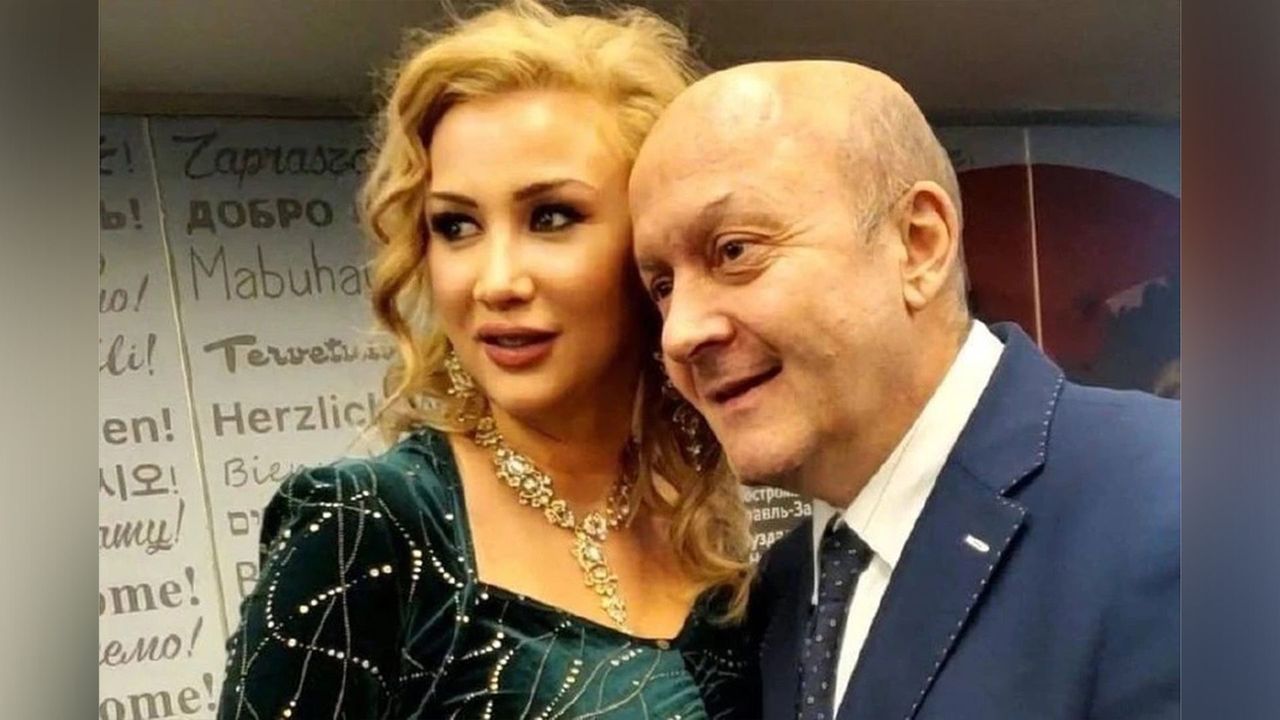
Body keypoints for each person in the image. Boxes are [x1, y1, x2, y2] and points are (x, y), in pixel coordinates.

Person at [217, 3, 756, 718]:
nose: (496, 281)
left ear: (653, 241)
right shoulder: (368, 526)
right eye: (456, 225)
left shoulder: (693, 513)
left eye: (551, 217)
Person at [628, 60, 1180, 720]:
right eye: (662, 287)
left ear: (918, 244)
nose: (681, 333)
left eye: (733, 251)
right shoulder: (779, 593)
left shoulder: (1184, 501)